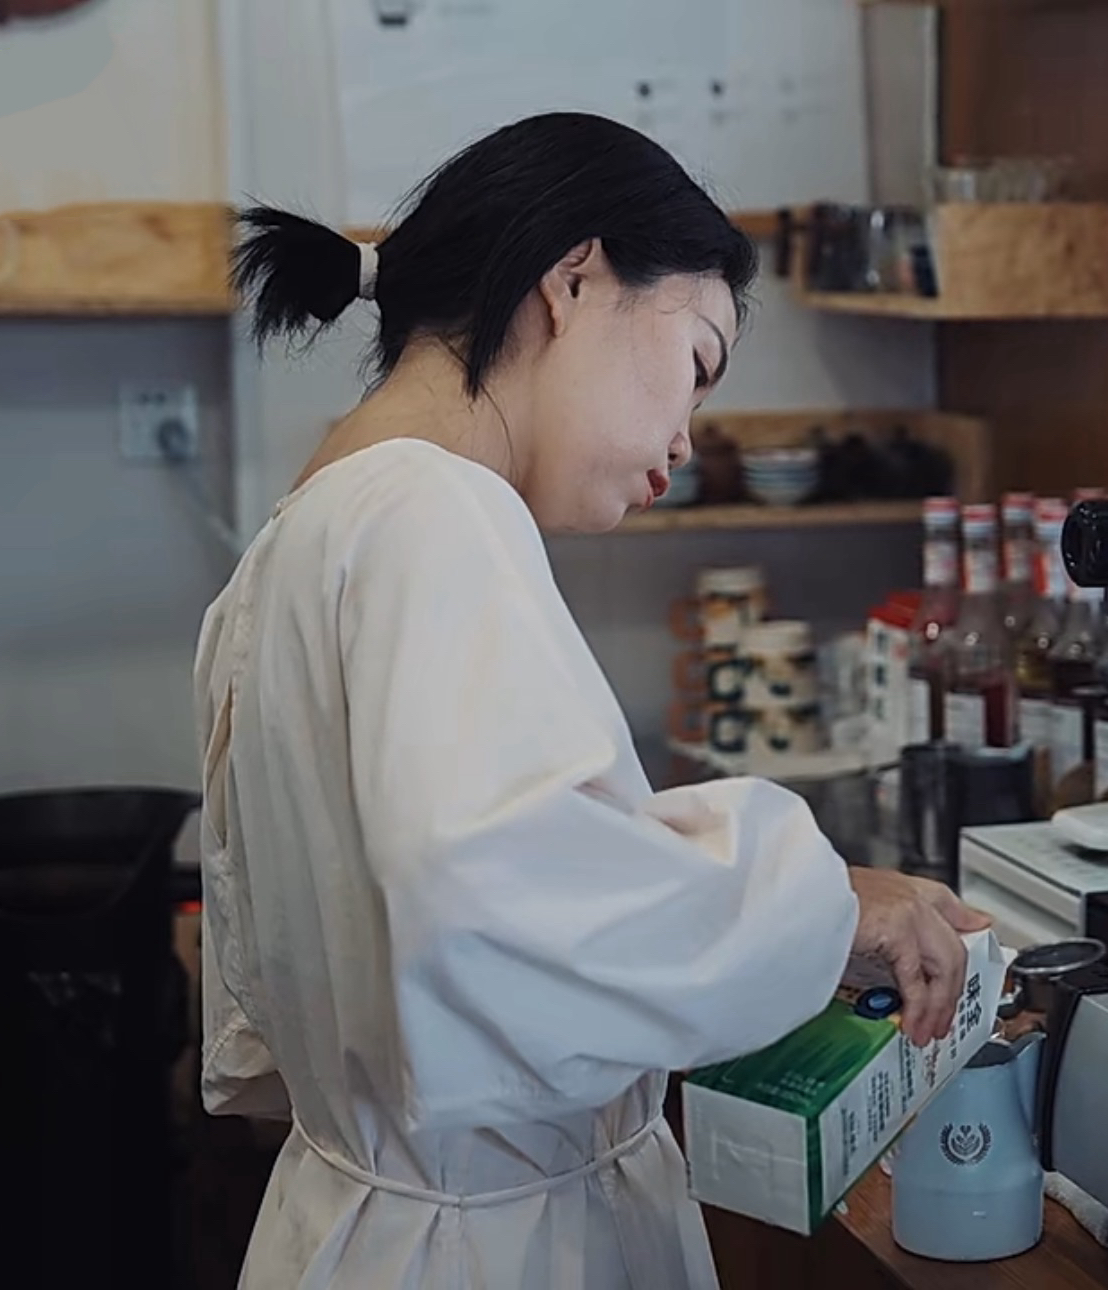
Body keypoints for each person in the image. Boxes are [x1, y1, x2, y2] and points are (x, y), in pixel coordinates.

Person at [196, 111, 989, 1289]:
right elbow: (508, 899)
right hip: (493, 1250)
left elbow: (445, 891)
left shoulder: (298, 537)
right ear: (576, 277)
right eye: (695, 367)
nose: (681, 441)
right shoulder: (437, 515)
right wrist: (824, 909)